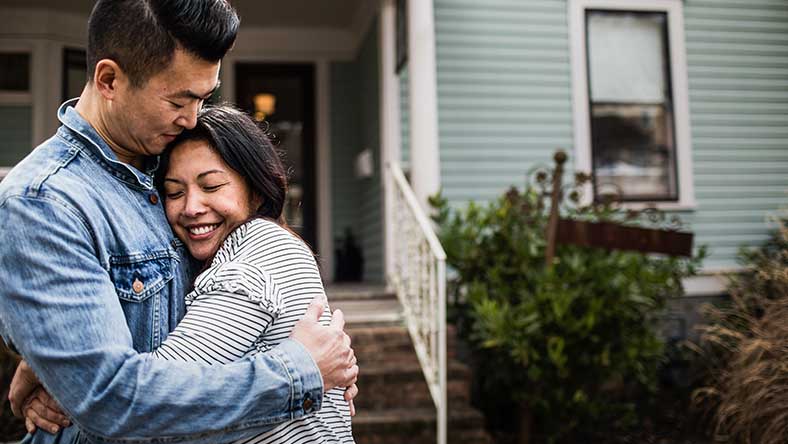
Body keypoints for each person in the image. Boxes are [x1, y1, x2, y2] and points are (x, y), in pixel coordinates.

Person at [0, 1, 357, 443]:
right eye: (179, 100)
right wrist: (299, 373)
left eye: (203, 98)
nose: (191, 119)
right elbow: (113, 400)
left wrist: (52, 360)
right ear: (109, 80)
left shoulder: (165, 161)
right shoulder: (45, 200)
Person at [149, 104, 354, 443]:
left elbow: (156, 397)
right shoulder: (236, 252)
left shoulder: (258, 249)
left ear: (256, 191)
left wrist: (68, 386)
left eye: (212, 186)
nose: (191, 207)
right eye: (174, 192)